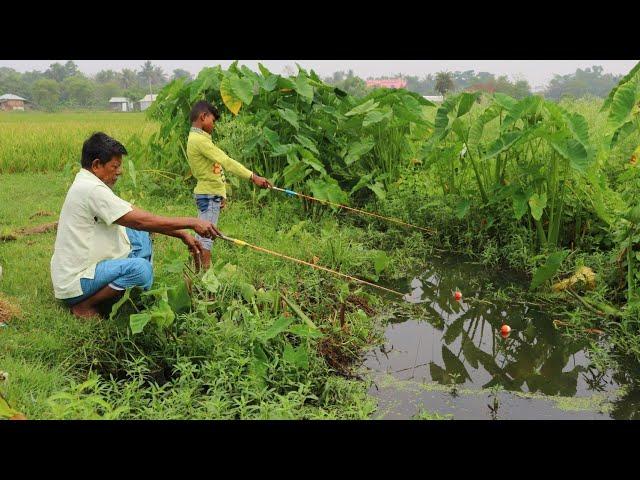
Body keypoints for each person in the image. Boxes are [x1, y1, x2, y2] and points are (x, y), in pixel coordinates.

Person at [51, 132, 221, 319]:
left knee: (138, 233)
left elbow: (133, 213)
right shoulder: (91, 190)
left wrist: (180, 233)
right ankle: (85, 305)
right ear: (97, 165)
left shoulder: (88, 182)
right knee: (141, 270)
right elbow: (140, 221)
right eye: (115, 166)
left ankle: (127, 283)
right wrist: (192, 222)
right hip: (77, 281)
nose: (120, 171)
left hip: (79, 267)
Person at [186, 100, 272, 270]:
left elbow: (214, 170)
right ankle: (205, 276)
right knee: (207, 237)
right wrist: (253, 177)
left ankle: (196, 272)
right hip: (209, 196)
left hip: (209, 194)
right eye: (213, 120)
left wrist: (222, 194)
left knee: (202, 234)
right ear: (203, 117)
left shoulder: (198, 138)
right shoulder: (200, 141)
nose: (214, 125)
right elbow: (225, 161)